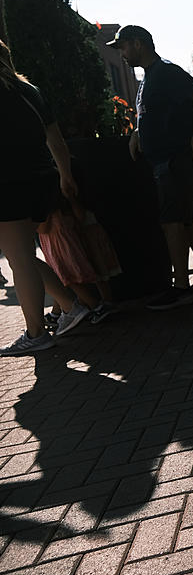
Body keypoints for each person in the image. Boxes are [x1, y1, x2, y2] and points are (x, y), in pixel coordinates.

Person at [107, 25, 193, 309]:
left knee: (172, 222)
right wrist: (138, 132)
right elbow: (154, 113)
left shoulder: (166, 72)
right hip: (168, 159)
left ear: (138, 44)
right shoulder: (151, 77)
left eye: (122, 47)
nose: (121, 54)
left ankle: (181, 287)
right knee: (188, 219)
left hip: (174, 159)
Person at [0, 39, 93, 354]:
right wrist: (65, 176)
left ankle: (36, 333)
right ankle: (70, 305)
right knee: (20, 255)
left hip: (8, 184)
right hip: (41, 181)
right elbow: (56, 138)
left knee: (20, 260)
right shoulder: (30, 91)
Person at [37, 193, 122, 325]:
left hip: (57, 245)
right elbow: (79, 217)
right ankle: (58, 312)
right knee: (71, 276)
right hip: (69, 240)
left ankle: (95, 306)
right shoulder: (63, 203)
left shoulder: (46, 208)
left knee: (66, 278)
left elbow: (43, 228)